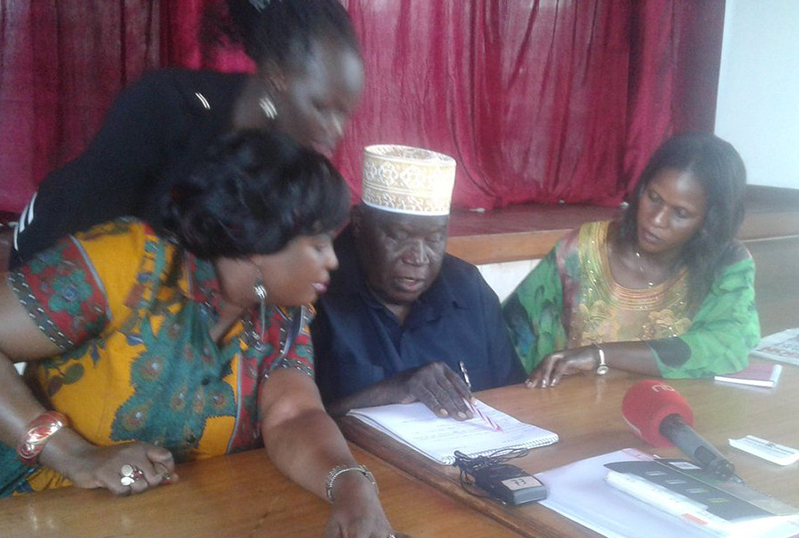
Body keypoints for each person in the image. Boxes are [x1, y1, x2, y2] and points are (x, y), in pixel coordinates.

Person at [0, 131, 398, 538]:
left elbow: (294, 416)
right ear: (260, 244)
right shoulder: (129, 265)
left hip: (148, 520)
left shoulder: (281, 315)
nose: (333, 261)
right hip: (10, 506)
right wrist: (74, 455)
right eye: (318, 244)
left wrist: (351, 485)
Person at [10, 0, 364, 266]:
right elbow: (86, 237)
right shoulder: (168, 107)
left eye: (345, 113)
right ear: (276, 77)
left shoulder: (293, 155)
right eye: (322, 107)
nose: (335, 130)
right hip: (55, 258)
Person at [502, 132, 761, 388]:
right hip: (572, 408)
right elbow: (511, 334)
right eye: (654, 198)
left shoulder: (725, 263)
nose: (657, 220)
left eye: (681, 213)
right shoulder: (583, 250)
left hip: (674, 408)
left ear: (709, 221)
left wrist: (600, 355)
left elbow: (730, 344)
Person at [313, 145, 526, 420]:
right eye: (400, 236)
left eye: (434, 239)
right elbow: (286, 425)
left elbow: (512, 399)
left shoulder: (469, 290)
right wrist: (387, 392)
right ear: (359, 224)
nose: (418, 258)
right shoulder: (314, 292)